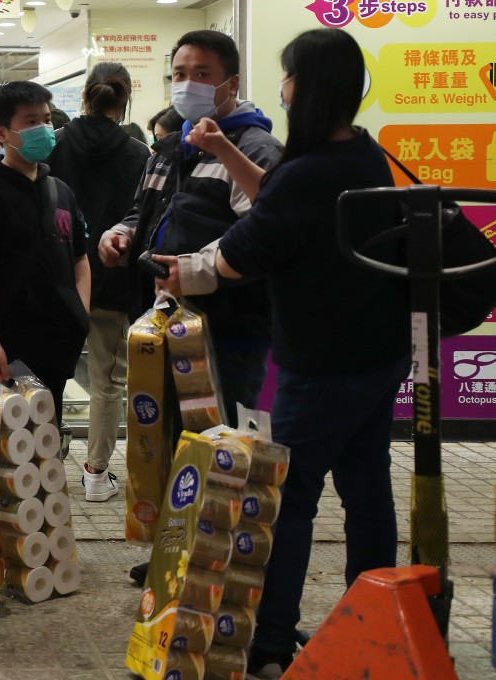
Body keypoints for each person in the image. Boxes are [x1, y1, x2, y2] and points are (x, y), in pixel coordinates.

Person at [150, 28, 411, 678]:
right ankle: (372, 617)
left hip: (322, 363)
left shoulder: (312, 168)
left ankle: (267, 642)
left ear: (307, 88)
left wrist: (187, 273)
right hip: (377, 355)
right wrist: (225, 153)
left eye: (289, 77)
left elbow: (244, 251)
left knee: (284, 500)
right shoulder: (361, 155)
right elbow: (277, 197)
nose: (285, 89)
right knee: (367, 490)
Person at [99, 30, 281, 428]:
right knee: (166, 449)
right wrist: (122, 235)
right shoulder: (168, 149)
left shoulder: (255, 148)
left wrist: (196, 271)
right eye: (179, 74)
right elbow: (140, 212)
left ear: (231, 83)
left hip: (227, 335)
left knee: (221, 451)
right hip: (163, 325)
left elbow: (263, 235)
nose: (186, 85)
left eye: (201, 74)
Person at [0, 81, 91, 418]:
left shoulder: (60, 191)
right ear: (1, 133)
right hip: (8, 349)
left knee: (47, 448)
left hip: (57, 346)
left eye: (46, 119)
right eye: (30, 122)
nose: (44, 129)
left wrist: (80, 312)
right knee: (7, 450)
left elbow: (81, 258)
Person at [47, 62, 151, 503]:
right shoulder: (140, 155)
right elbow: (145, 219)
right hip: (113, 281)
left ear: (85, 96)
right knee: (108, 379)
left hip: (58, 278)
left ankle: (40, 468)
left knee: (45, 374)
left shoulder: (55, 145)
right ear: (124, 101)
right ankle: (95, 473)